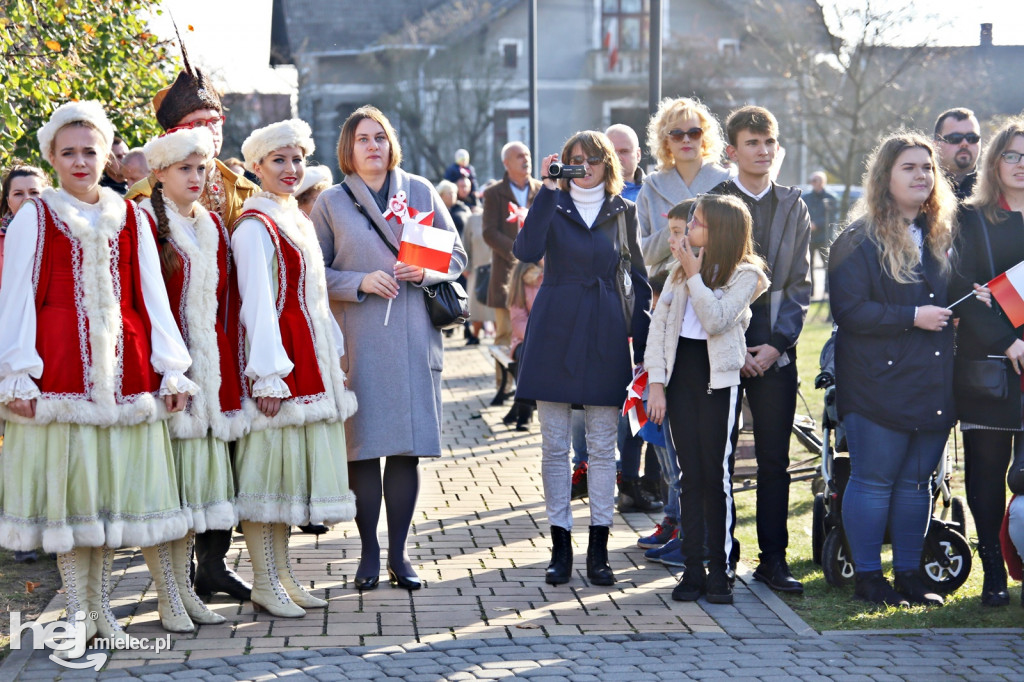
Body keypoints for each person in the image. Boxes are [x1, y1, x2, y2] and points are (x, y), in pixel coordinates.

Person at [0, 101, 195, 649]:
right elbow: (16, 296)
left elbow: (151, 297)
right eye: (69, 153)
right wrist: (17, 372)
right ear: (52, 158)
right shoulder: (35, 215)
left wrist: (171, 369)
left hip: (126, 369)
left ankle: (103, 608)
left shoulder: (131, 215)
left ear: (107, 152)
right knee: (74, 496)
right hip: (61, 366)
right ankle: (79, 611)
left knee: (107, 493)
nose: (81, 162)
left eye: (90, 151)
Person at [310, 106, 466, 592]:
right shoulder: (331, 203)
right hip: (358, 338)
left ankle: (399, 553)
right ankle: (369, 552)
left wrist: (426, 270)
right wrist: (359, 281)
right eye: (363, 139)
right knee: (363, 450)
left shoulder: (419, 191)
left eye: (380, 137)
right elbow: (313, 273)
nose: (373, 146)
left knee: (406, 451)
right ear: (348, 150)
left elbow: (457, 257)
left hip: (414, 335)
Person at [128, 48, 259, 602]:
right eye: (196, 127)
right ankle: (175, 572)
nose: (209, 135)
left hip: (233, 339)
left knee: (226, 455)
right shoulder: (142, 201)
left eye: (214, 124)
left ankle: (214, 560)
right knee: (179, 459)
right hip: (171, 341)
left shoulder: (243, 186)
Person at [512, 130, 652, 587]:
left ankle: (598, 550)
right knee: (554, 446)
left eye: (592, 158)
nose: (584, 166)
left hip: (605, 330)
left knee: (602, 448)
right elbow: (526, 251)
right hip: (554, 328)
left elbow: (638, 279)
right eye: (575, 159)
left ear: (608, 163)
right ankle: (560, 548)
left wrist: (642, 348)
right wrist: (547, 192)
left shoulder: (623, 211)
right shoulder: (553, 203)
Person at [232, 118, 357, 616]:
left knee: (291, 478)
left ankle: (281, 575)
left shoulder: (297, 219)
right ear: (257, 166)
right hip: (279, 358)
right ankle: (264, 578)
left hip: (308, 354)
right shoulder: (254, 226)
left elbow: (317, 298)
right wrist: (267, 373)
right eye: (278, 161)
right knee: (269, 475)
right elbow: (256, 305)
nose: (290, 169)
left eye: (297, 159)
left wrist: (332, 351)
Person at [828, 131, 958, 607]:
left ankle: (908, 576)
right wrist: (911, 317)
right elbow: (849, 312)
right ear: (885, 177)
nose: (922, 175)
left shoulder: (942, 235)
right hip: (875, 382)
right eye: (910, 167)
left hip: (933, 380)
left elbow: (944, 299)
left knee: (915, 483)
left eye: (928, 167)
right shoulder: (855, 240)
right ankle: (868, 578)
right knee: (874, 480)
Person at [137, 127, 244, 631]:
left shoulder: (212, 226)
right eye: (185, 168)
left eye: (202, 168)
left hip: (210, 371)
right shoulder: (143, 221)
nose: (197, 177)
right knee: (169, 492)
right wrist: (165, 371)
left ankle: (185, 591)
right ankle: (169, 596)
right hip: (167, 374)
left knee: (196, 493)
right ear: (159, 174)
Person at [647, 195, 770, 604]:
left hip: (719, 385)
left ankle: (721, 568)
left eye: (696, 221)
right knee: (689, 476)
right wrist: (657, 384)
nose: (688, 227)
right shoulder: (679, 274)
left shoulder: (746, 274)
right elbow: (660, 330)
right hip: (681, 381)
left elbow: (717, 319)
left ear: (717, 229)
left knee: (715, 478)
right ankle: (693, 568)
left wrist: (695, 275)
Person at [711, 106, 811, 595]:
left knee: (775, 461)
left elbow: (799, 285)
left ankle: (773, 560)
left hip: (777, 352)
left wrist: (775, 346)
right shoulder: (712, 204)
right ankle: (720, 560)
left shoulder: (795, 205)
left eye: (769, 142)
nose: (763, 150)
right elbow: (704, 280)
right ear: (732, 151)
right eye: (752, 143)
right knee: (719, 458)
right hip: (721, 349)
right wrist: (736, 347)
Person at [949, 116, 1024, 607]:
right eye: (1013, 155)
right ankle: (993, 573)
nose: (1022, 165)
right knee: (985, 473)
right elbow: (961, 291)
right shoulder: (969, 220)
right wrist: (1008, 337)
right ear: (994, 162)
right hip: (989, 366)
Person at [637, 97, 732, 276]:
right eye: (677, 134)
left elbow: (738, 243)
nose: (686, 140)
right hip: (664, 288)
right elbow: (638, 252)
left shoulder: (727, 182)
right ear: (666, 141)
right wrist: (673, 231)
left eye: (694, 133)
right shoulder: (651, 187)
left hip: (716, 283)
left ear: (704, 138)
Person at [483, 142, 542, 358]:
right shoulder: (493, 193)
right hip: (505, 275)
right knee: (504, 334)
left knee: (539, 331)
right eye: (519, 156)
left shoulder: (543, 190)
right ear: (506, 163)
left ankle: (532, 385)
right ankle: (504, 387)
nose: (526, 159)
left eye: (527, 154)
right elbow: (489, 232)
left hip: (539, 274)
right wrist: (520, 252)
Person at [502, 258, 543, 431]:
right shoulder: (520, 281)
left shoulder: (553, 276)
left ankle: (520, 407)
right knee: (529, 356)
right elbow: (518, 321)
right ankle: (525, 412)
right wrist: (539, 337)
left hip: (552, 339)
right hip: (524, 340)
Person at [1, 164, 50, 290]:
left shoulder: (62, 236)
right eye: (18, 194)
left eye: (34, 192)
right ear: (8, 202)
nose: (27, 199)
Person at [935, 107, 982, 201]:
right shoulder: (922, 188)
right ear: (936, 145)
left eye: (972, 138)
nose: (964, 143)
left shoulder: (996, 190)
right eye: (955, 138)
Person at [804, 171, 837, 295]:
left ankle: (827, 290)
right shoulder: (806, 198)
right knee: (809, 266)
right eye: (811, 180)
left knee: (827, 265)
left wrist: (816, 224)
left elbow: (832, 217)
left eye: (815, 180)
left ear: (822, 182)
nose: (812, 183)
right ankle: (811, 290)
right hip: (810, 238)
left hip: (824, 237)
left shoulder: (830, 198)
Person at [605, 123, 646, 202]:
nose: (616, 158)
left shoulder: (653, 191)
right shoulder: (591, 192)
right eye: (611, 152)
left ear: (638, 155)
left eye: (624, 151)